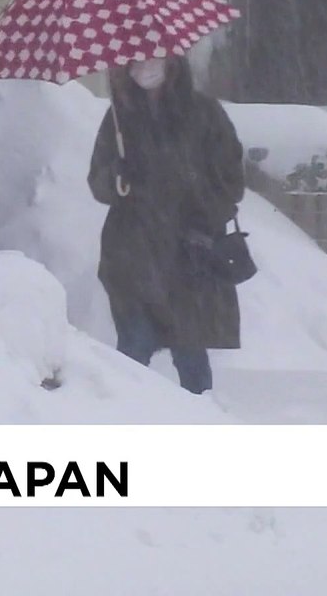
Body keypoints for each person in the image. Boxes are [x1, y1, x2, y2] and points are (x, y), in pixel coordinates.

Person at [88, 55, 245, 394]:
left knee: (190, 352)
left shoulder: (204, 114)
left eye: (155, 57)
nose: (146, 67)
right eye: (136, 61)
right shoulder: (120, 117)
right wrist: (117, 177)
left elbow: (231, 180)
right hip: (131, 257)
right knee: (132, 350)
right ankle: (124, 420)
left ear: (174, 61)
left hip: (188, 258)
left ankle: (201, 425)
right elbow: (97, 182)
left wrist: (201, 209)